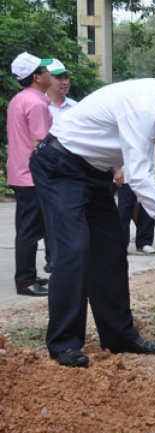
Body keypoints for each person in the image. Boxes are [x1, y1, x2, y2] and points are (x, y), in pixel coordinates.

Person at [30, 56, 155, 368]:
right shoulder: (146, 106)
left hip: (94, 173)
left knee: (110, 250)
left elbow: (133, 162)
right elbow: (140, 178)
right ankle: (64, 343)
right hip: (60, 165)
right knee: (74, 249)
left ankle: (119, 336)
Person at [7, 52, 53, 297]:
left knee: (28, 227)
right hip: (32, 175)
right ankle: (25, 281)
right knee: (29, 230)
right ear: (36, 77)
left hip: (20, 172)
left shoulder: (20, 99)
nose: (50, 74)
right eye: (45, 70)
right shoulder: (36, 103)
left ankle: (28, 275)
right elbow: (40, 143)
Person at [117, 132, 155, 254]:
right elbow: (116, 144)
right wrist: (117, 169)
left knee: (149, 207)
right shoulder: (124, 116)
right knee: (124, 208)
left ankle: (144, 242)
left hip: (150, 170)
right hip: (127, 170)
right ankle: (120, 243)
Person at [46, 59, 78, 126]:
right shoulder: (37, 106)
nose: (65, 82)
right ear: (45, 79)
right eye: (58, 78)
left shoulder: (76, 107)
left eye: (66, 78)